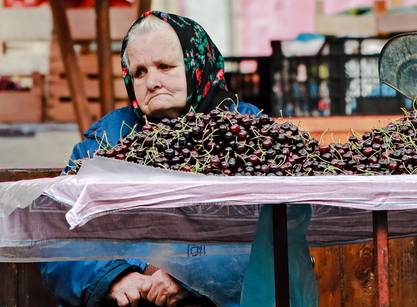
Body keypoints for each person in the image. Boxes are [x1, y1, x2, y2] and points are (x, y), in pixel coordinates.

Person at [40, 11, 317, 307]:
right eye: (140, 72)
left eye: (165, 67)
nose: (152, 82)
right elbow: (55, 232)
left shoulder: (249, 132)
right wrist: (114, 277)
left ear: (197, 65)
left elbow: (281, 234)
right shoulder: (105, 140)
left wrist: (191, 276)